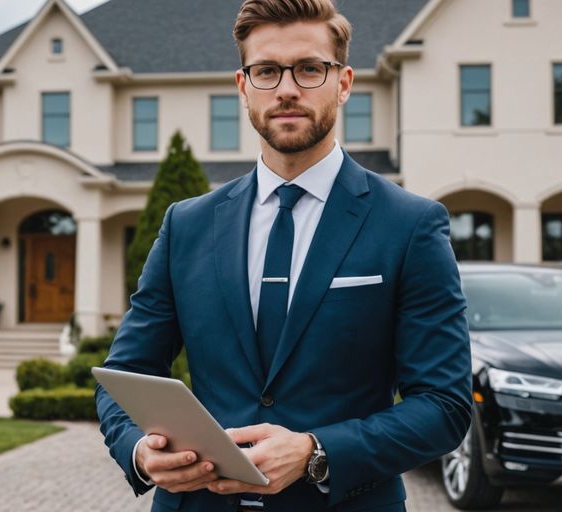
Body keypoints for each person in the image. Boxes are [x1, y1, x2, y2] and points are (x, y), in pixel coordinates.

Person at [95, 1, 472, 510]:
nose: (287, 88)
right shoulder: (186, 225)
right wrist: (140, 452)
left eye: (310, 68)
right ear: (243, 85)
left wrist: (317, 452)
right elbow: (125, 376)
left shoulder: (410, 225)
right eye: (267, 71)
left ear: (342, 82)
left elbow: (444, 405)